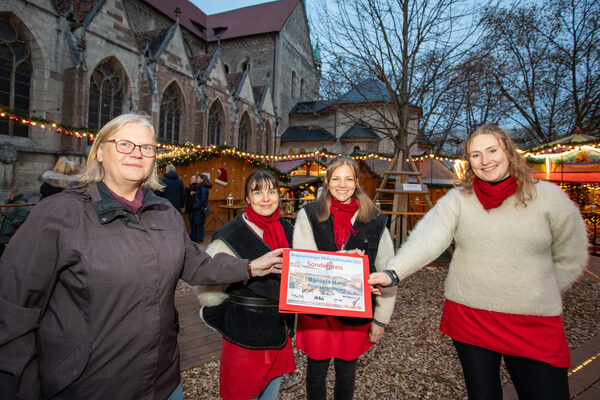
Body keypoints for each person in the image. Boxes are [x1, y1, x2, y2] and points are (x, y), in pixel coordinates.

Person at [0, 113, 284, 400]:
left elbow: (198, 266)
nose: (137, 153)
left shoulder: (164, 212)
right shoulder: (58, 215)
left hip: (163, 381)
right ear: (99, 151)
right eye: (124, 144)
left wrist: (249, 267)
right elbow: (14, 311)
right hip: (90, 386)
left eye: (147, 147)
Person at [369, 124, 588, 399]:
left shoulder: (548, 198)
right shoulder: (459, 199)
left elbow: (573, 252)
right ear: (469, 162)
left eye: (492, 150)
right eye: (475, 155)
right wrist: (393, 273)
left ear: (508, 151)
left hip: (532, 321)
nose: (485, 161)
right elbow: (427, 239)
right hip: (470, 316)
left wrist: (541, 291)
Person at [293, 156, 396, 400]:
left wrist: (380, 320)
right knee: (316, 374)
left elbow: (388, 272)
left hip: (354, 314)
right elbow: (304, 269)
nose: (342, 185)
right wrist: (344, 261)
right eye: (336, 178)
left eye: (348, 179)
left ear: (357, 182)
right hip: (318, 312)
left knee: (347, 374)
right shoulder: (309, 215)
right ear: (327, 182)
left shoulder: (375, 219)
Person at [195, 169, 295, 400]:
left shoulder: (288, 229)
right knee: (241, 393)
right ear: (248, 198)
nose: (266, 198)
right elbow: (208, 287)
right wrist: (228, 318)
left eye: (272, 191)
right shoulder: (230, 234)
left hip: (278, 327)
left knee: (270, 393)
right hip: (244, 330)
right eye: (258, 192)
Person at [0, 189, 30, 256]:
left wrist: (14, 223)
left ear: (13, 194)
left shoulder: (22, 204)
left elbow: (23, 215)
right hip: (4, 228)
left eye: (9, 194)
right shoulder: (10, 203)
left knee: (7, 247)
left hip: (10, 229)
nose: (8, 195)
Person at [189, 174, 211, 243]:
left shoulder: (203, 188)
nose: (197, 179)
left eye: (198, 178)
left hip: (199, 209)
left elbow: (202, 200)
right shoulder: (199, 187)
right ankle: (196, 238)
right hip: (196, 209)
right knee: (196, 224)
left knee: (199, 224)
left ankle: (199, 238)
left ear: (202, 179)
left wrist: (195, 206)